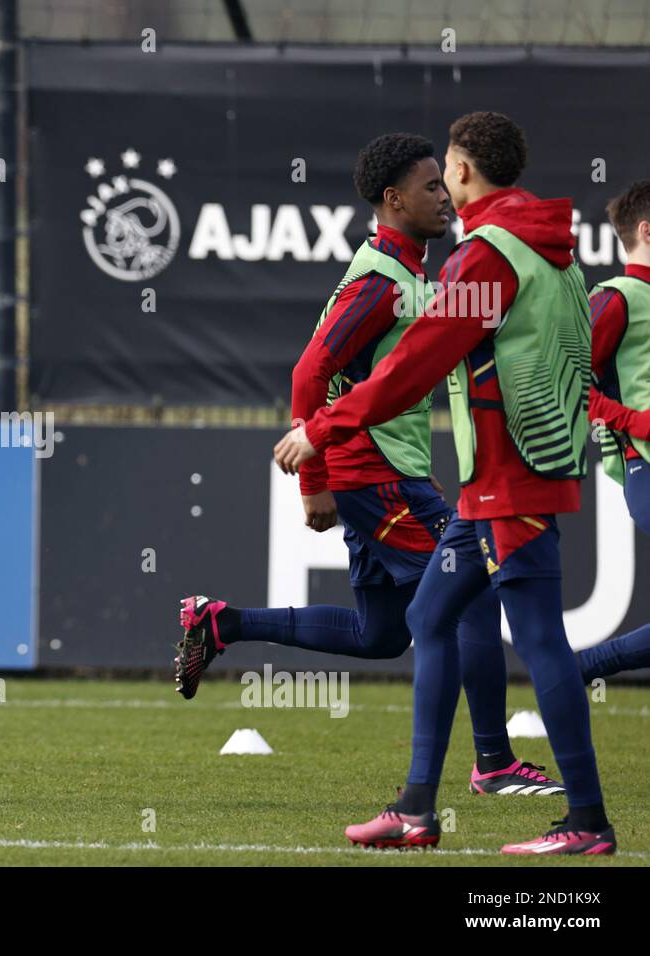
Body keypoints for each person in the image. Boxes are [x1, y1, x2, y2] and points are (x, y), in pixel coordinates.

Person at [174, 133, 559, 797]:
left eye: (446, 183)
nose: (445, 197)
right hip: (366, 472)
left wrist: (412, 465)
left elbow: (386, 380)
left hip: (387, 470)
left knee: (380, 633)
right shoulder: (382, 280)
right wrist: (314, 482)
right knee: (473, 592)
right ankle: (493, 762)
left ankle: (221, 623)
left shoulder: (407, 271)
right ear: (394, 199)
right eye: (431, 187)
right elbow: (310, 370)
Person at [275, 112, 614, 854]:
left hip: (506, 481)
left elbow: (412, 367)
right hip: (498, 484)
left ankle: (585, 821)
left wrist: (321, 431)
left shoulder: (487, 257)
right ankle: (418, 808)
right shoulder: (555, 250)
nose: (443, 189)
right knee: (430, 619)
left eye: (446, 173)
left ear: (463, 172)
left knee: (538, 640)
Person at [578, 179, 650, 681]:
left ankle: (577, 670)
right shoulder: (617, 299)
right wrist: (632, 422)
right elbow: (563, 383)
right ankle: (578, 668)